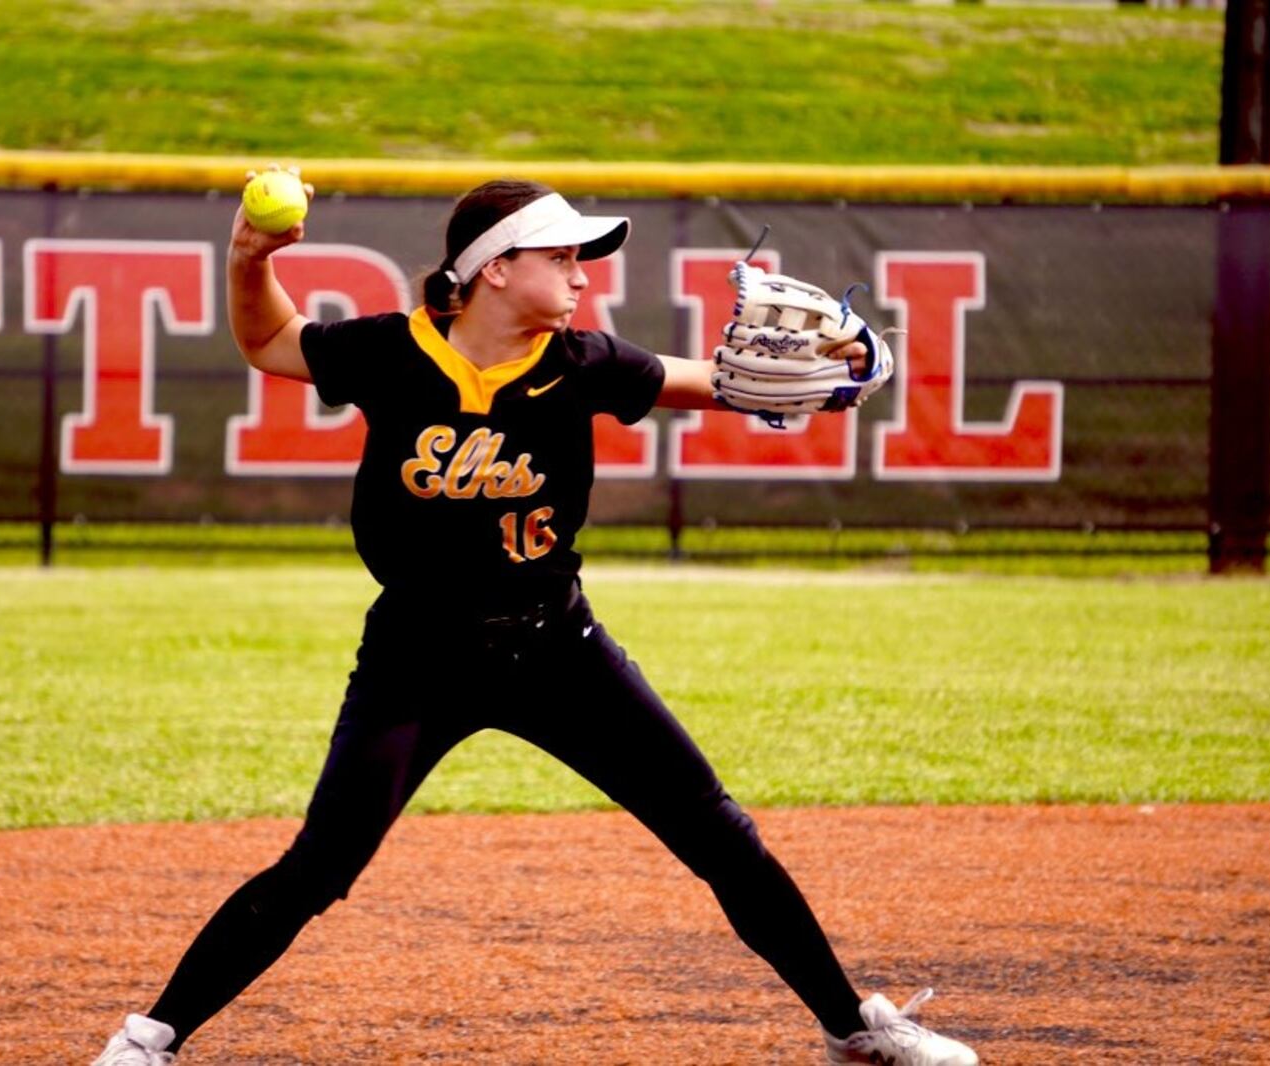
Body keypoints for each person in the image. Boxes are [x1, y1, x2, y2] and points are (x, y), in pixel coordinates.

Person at [92, 172, 979, 1066]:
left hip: (557, 648)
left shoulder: (586, 363)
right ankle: (150, 1040)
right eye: (560, 256)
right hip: (416, 656)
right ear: (495, 269)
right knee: (321, 866)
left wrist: (841, 374)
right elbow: (271, 339)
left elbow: (715, 382)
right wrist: (250, 257)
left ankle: (852, 1029)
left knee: (717, 833)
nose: (582, 274)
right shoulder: (391, 353)